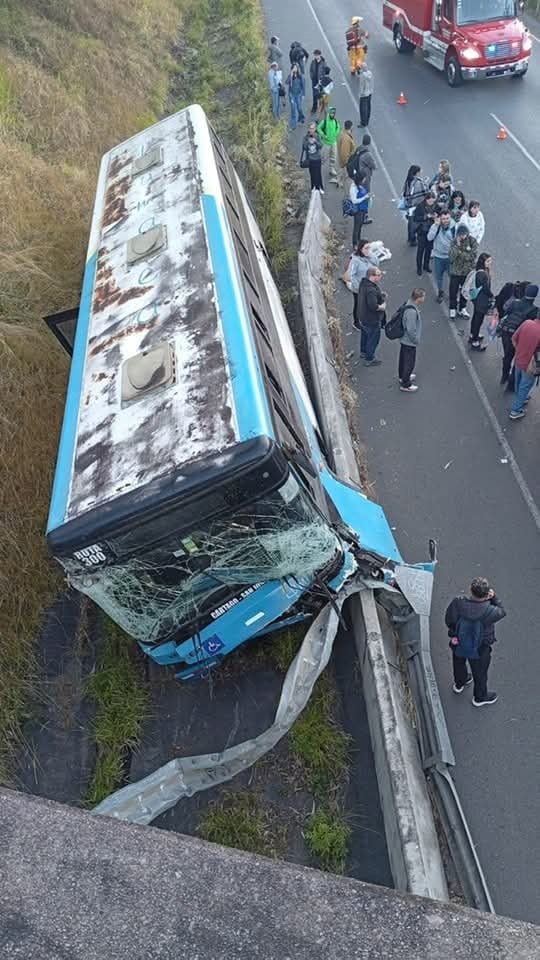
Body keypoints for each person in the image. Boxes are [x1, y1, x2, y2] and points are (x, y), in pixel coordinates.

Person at [445, 577, 506, 707]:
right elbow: (502, 611)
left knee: (458, 662)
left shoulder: (457, 603)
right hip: (480, 646)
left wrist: (455, 633)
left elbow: (449, 620)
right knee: (480, 672)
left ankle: (460, 682)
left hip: (459, 641)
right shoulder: (491, 611)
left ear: (470, 590)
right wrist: (494, 598)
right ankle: (480, 697)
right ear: (486, 595)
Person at [497, 282, 535, 388]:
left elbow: (505, 314)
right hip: (520, 337)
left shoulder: (514, 303)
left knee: (507, 356)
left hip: (507, 332)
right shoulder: (534, 310)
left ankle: (504, 376)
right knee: (518, 359)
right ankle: (512, 383)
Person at [509, 310, 540, 420]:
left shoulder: (527, 323)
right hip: (531, 366)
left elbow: (513, 339)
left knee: (519, 382)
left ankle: (521, 398)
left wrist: (519, 351)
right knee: (525, 386)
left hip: (518, 359)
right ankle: (515, 410)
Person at [357, 266, 386, 365]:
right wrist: (382, 307)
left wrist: (380, 295)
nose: (380, 276)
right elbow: (373, 306)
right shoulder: (371, 290)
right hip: (371, 319)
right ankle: (370, 358)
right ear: (371, 276)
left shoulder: (363, 284)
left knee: (365, 335)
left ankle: (363, 351)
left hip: (362, 316)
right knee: (373, 338)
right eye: (378, 275)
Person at [448, 224, 478, 319]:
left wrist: (460, 253)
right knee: (453, 291)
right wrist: (458, 246)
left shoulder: (472, 241)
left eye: (464, 234)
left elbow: (472, 257)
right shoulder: (454, 242)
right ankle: (452, 308)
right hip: (455, 271)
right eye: (460, 235)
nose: (462, 236)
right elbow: (451, 257)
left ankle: (462, 308)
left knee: (465, 291)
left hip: (467, 272)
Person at [399, 288, 425, 392]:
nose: (424, 299)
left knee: (403, 359)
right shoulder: (411, 312)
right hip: (409, 341)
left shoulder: (409, 304)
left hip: (404, 340)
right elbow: (410, 329)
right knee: (409, 362)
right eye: (423, 296)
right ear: (418, 298)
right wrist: (415, 339)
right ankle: (406, 384)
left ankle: (402, 376)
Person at [350, 239, 381, 330]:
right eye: (366, 248)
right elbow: (352, 275)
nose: (368, 250)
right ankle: (356, 322)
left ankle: (366, 319)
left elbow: (377, 262)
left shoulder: (369, 256)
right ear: (360, 249)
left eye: (369, 248)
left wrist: (370, 255)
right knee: (358, 304)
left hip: (370, 285)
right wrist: (358, 288)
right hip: (359, 288)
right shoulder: (355, 260)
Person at [427, 210, 455, 303]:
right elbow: (429, 238)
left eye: (447, 218)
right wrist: (435, 226)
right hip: (438, 256)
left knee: (452, 276)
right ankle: (440, 292)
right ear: (440, 219)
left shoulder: (454, 227)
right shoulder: (436, 226)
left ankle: (453, 293)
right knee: (439, 277)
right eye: (443, 219)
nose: (446, 221)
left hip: (449, 257)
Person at [469, 252, 493, 350]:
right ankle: (475, 341)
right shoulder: (483, 274)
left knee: (475, 318)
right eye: (488, 261)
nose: (490, 263)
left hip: (477, 299)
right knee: (478, 320)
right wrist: (492, 296)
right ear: (483, 262)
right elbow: (486, 289)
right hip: (482, 300)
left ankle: (473, 335)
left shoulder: (479, 271)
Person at [402, 165, 429, 245]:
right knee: (415, 223)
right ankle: (413, 239)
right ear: (417, 172)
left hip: (409, 204)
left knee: (410, 222)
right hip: (416, 205)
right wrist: (426, 183)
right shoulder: (417, 182)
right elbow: (423, 192)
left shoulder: (408, 180)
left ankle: (410, 238)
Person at [413, 194, 437, 276]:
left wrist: (436, 216)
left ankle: (426, 266)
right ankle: (419, 268)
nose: (431, 202)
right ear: (426, 199)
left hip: (431, 231)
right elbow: (415, 218)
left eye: (432, 200)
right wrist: (426, 216)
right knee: (420, 250)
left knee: (428, 250)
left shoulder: (435, 206)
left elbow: (439, 213)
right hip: (422, 231)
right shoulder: (420, 206)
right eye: (429, 200)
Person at [317, 106, 340, 185]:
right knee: (323, 157)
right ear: (329, 113)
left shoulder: (335, 121)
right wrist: (323, 135)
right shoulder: (325, 121)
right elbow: (318, 128)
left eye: (334, 113)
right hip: (326, 143)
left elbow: (338, 127)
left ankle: (332, 169)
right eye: (332, 113)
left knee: (333, 157)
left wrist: (336, 134)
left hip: (333, 142)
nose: (333, 114)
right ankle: (318, 168)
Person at [301, 123, 323, 193]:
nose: (311, 130)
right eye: (310, 128)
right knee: (312, 173)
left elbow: (320, 146)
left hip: (317, 158)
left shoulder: (317, 136)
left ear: (315, 129)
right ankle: (313, 187)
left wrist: (315, 141)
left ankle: (320, 187)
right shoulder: (305, 137)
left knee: (318, 173)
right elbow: (304, 147)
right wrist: (308, 142)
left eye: (313, 128)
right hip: (310, 159)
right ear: (308, 129)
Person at [350, 173, 370, 247]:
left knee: (360, 225)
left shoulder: (359, 186)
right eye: (364, 178)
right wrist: (364, 198)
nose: (365, 180)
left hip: (363, 209)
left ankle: (358, 240)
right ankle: (355, 243)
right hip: (358, 210)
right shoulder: (353, 188)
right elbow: (354, 200)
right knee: (357, 227)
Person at [337, 120, 356, 189]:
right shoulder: (346, 138)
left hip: (343, 161)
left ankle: (339, 182)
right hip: (346, 162)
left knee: (341, 173)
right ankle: (342, 186)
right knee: (346, 179)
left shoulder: (343, 134)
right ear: (351, 127)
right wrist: (346, 164)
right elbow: (344, 153)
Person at [286, 63, 305, 130]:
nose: (295, 69)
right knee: (293, 109)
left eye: (296, 68)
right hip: (292, 95)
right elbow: (287, 82)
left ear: (297, 68)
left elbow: (303, 86)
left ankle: (301, 117)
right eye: (293, 68)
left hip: (299, 94)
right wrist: (290, 75)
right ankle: (293, 125)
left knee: (299, 107)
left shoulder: (300, 76)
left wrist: (303, 94)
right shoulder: (291, 76)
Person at [309, 50, 326, 114]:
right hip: (314, 80)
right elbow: (311, 70)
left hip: (320, 80)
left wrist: (322, 79)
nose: (316, 56)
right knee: (315, 94)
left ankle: (321, 106)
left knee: (321, 93)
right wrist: (312, 77)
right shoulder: (313, 62)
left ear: (320, 55)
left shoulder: (323, 62)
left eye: (317, 55)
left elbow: (324, 71)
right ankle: (314, 107)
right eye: (315, 55)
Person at [358, 62, 374, 127]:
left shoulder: (363, 75)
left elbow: (362, 85)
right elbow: (372, 82)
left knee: (363, 109)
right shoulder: (370, 73)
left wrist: (360, 94)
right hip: (369, 93)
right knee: (368, 107)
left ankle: (363, 122)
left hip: (364, 94)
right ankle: (367, 121)